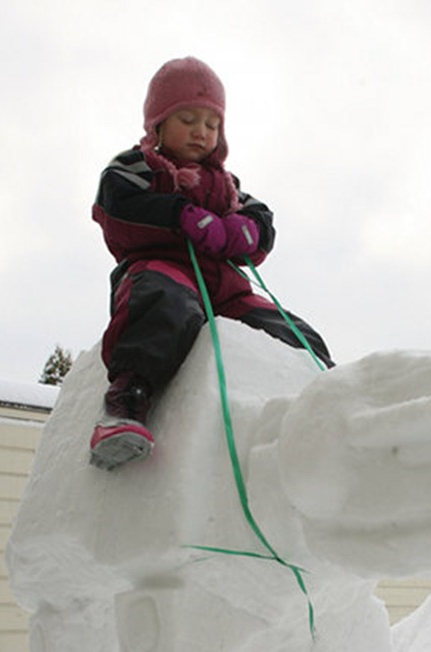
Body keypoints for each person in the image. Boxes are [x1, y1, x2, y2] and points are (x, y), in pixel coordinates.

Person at [90, 56, 333, 470]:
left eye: (211, 124)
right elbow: (117, 203)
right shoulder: (136, 167)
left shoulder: (226, 184)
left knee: (284, 328)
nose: (201, 132)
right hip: (161, 266)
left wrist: (248, 229)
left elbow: (262, 216)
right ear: (158, 124)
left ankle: (329, 394)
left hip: (224, 284)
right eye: (187, 119)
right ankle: (127, 401)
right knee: (163, 305)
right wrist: (178, 214)